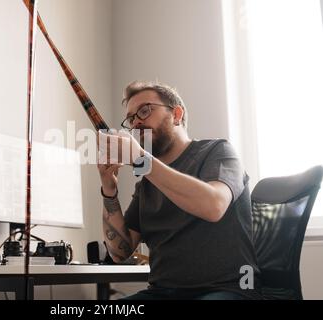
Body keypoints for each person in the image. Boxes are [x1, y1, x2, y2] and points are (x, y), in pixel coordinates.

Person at [96, 81, 262, 300]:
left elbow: (213, 206)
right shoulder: (147, 182)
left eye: (144, 111)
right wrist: (109, 189)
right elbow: (120, 252)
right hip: (162, 293)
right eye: (131, 119)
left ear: (176, 114)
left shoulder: (218, 152)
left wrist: (140, 159)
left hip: (229, 288)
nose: (136, 124)